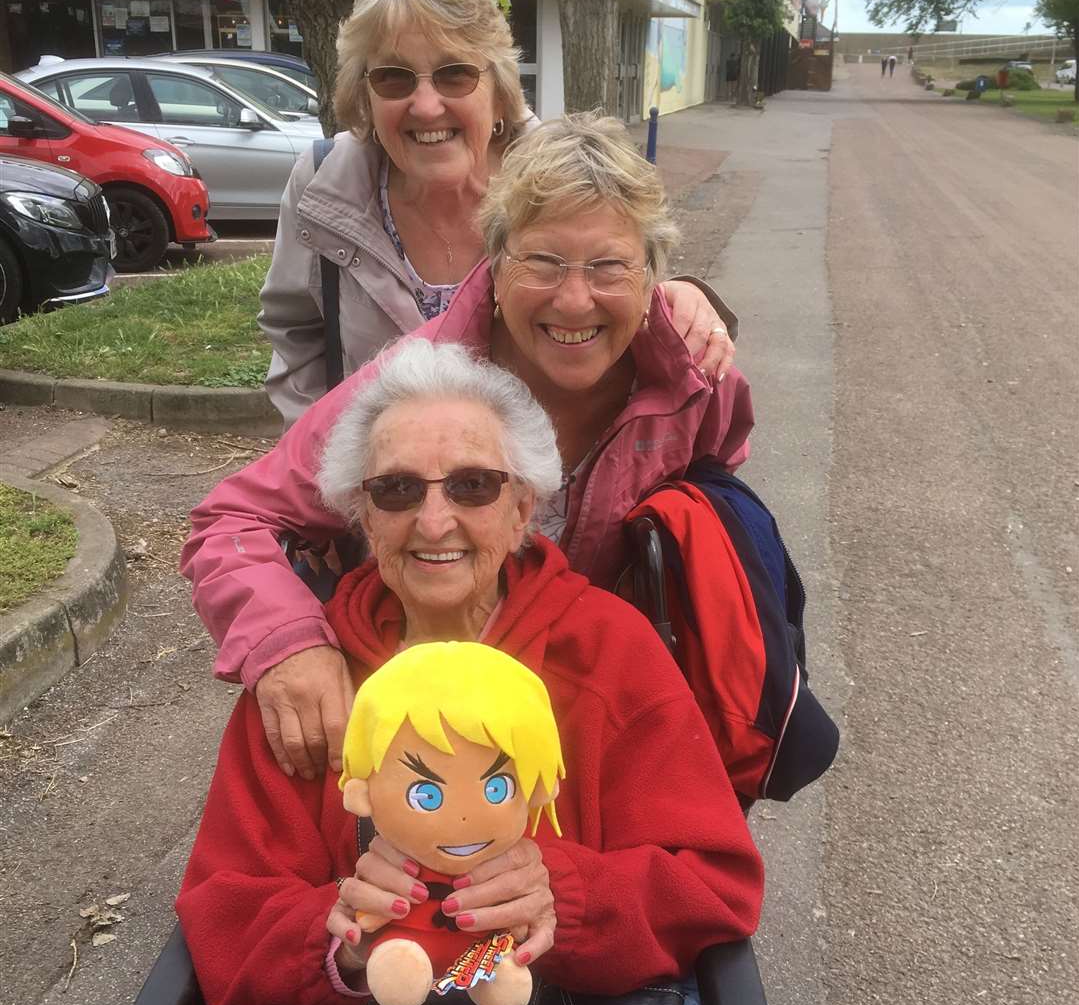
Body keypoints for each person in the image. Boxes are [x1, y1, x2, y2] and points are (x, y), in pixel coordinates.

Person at [176, 337, 762, 1005]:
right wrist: (340, 937)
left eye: (473, 484)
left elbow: (712, 880)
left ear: (522, 508)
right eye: (396, 489)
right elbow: (225, 911)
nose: (433, 521)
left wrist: (567, 897)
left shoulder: (610, 650)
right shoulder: (310, 677)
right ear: (363, 517)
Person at [182, 112, 755, 782]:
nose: (574, 300)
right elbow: (231, 521)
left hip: (602, 727)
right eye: (541, 260)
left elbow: (712, 513)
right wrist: (287, 642)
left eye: (608, 266)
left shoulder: (697, 383)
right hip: (430, 737)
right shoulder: (414, 390)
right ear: (495, 258)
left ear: (652, 273)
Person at [259, 0, 736, 428]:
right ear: (364, 89)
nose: (425, 106)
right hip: (381, 489)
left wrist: (679, 296)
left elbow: (621, 296)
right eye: (393, 77)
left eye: (455, 74)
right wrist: (327, 462)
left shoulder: (562, 176)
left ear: (499, 82)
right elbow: (295, 332)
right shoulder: (324, 184)